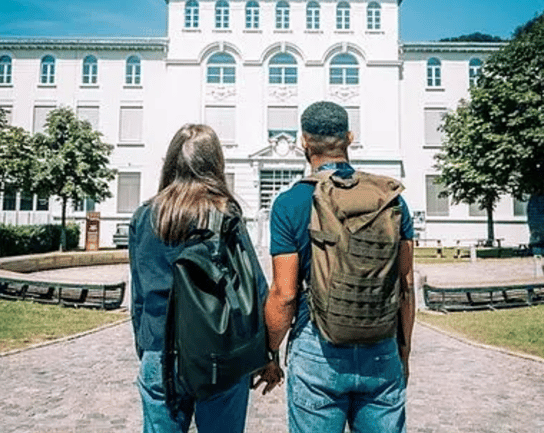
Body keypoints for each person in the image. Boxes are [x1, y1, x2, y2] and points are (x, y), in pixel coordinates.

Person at [263, 101, 415, 433]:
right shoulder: (392, 200)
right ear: (349, 137)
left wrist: (271, 350)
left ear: (304, 141)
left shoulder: (290, 203)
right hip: (381, 345)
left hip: (317, 347)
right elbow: (405, 287)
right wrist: (403, 351)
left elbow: (285, 294)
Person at [129, 124, 278, 433]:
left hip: (160, 350)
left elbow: (139, 296)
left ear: (171, 162)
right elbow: (255, 285)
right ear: (215, 165)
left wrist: (146, 348)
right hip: (218, 352)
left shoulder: (144, 215)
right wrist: (267, 354)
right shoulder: (224, 213)